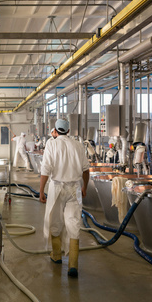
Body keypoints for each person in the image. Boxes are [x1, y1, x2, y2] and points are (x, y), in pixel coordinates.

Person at [39, 119, 90, 278]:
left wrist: (41, 190)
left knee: (55, 220)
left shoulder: (52, 144)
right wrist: (84, 187)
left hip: (57, 187)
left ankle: (57, 256)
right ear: (68, 131)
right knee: (74, 222)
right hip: (75, 188)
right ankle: (73, 265)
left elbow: (46, 169)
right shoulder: (78, 145)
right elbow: (86, 170)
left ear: (55, 130)